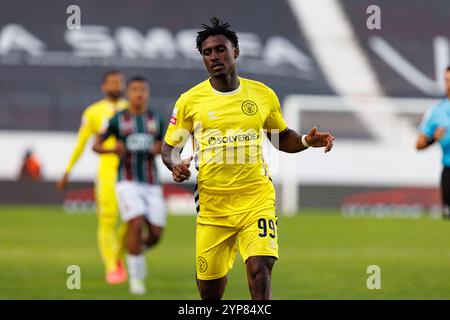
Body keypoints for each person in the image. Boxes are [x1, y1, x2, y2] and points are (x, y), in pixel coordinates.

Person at [161, 17, 334, 300]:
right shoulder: (190, 101)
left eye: (220, 49)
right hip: (212, 203)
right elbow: (169, 149)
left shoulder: (262, 95)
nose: (214, 57)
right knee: (210, 290)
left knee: (259, 268)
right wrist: (175, 165)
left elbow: (280, 139)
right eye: (207, 52)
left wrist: (305, 141)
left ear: (236, 52)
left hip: (255, 197)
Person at [93, 76, 167, 295]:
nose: (138, 94)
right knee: (134, 223)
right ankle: (136, 279)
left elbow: (168, 146)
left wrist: (160, 149)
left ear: (147, 93)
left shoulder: (157, 119)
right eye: (134, 89)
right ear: (128, 93)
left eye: (142, 89)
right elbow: (96, 145)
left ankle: (133, 251)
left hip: (152, 182)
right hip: (126, 181)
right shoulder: (117, 119)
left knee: (155, 234)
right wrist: (110, 150)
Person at [56, 70, 128, 284]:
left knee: (134, 221)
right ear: (103, 87)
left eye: (119, 82)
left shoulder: (130, 108)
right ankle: (111, 267)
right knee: (107, 220)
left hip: (131, 172)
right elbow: (81, 143)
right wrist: (67, 171)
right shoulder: (93, 112)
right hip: (107, 173)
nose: (116, 85)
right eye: (112, 82)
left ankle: (115, 255)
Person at [416, 66, 450, 219]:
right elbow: (419, 144)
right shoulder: (436, 111)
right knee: (447, 217)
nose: (449, 84)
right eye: (447, 80)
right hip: (448, 170)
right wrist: (433, 139)